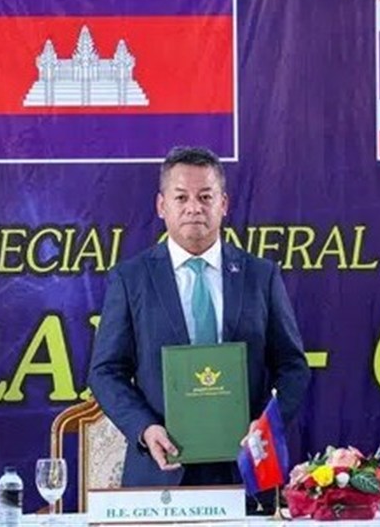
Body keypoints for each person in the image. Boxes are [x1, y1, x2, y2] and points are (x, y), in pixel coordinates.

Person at [88, 146, 311, 490]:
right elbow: (105, 371)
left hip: (247, 468)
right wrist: (144, 428)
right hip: (161, 471)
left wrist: (268, 423)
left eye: (205, 196)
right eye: (181, 197)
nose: (194, 207)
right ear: (161, 205)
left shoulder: (260, 276)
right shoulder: (130, 279)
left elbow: (292, 366)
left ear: (224, 203)